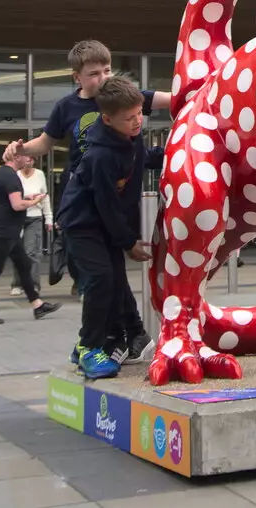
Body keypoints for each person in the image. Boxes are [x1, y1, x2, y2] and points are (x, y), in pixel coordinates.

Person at [7, 40, 171, 294]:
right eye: (93, 74)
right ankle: (90, 295)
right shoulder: (67, 107)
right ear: (77, 78)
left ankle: (116, 321)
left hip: (117, 190)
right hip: (87, 194)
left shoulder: (122, 96)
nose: (103, 78)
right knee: (100, 271)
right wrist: (21, 149)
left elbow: (172, 98)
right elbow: (45, 142)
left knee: (112, 273)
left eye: (107, 70)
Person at [56, 76, 162, 379]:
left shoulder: (130, 140)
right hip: (82, 225)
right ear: (107, 118)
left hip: (104, 225)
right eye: (129, 118)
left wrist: (175, 153)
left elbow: (145, 159)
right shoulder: (100, 155)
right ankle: (89, 348)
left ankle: (93, 343)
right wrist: (128, 241)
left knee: (114, 282)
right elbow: (106, 204)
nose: (137, 121)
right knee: (101, 280)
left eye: (139, 113)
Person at [0, 153, 62, 326]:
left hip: (8, 231)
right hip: (5, 231)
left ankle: (37, 304)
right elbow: (16, 205)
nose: (28, 160)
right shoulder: (11, 177)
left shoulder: (1, 174)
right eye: (24, 156)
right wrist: (34, 201)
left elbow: (8, 200)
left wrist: (26, 199)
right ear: (15, 158)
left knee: (24, 265)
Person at [8, 146, 53, 297]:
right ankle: (17, 283)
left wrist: (49, 218)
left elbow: (45, 196)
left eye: (31, 158)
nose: (29, 160)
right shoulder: (16, 175)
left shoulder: (40, 175)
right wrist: (28, 198)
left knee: (32, 252)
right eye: (26, 157)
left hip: (35, 217)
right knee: (17, 251)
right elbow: (13, 196)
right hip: (18, 216)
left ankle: (33, 284)